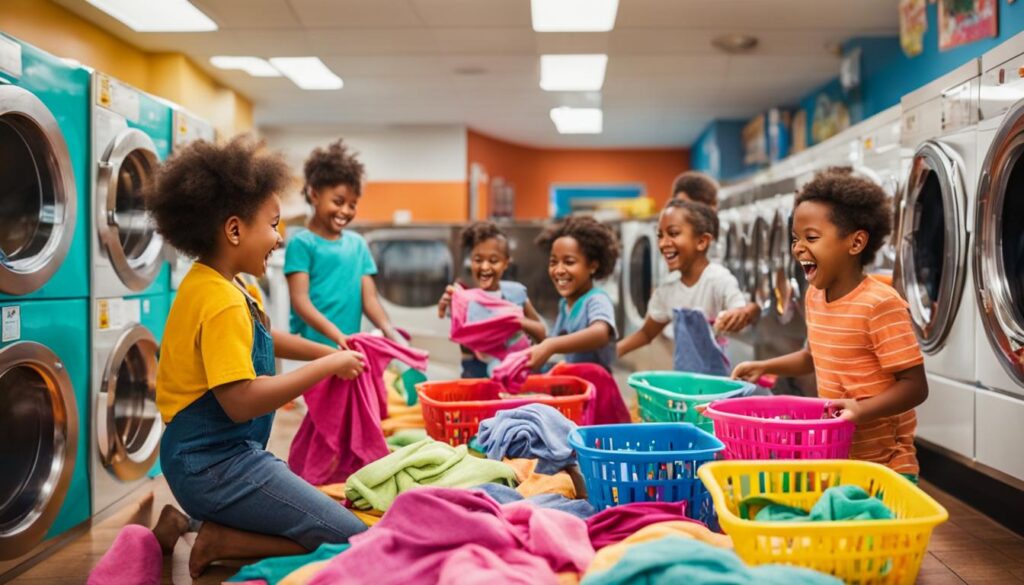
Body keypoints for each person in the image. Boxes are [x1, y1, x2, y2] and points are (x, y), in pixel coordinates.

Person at [148, 136, 369, 577]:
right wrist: (326, 367)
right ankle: (217, 538)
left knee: (321, 520)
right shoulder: (222, 301)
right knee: (351, 539)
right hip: (212, 465)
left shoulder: (219, 283)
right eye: (273, 224)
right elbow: (242, 399)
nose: (279, 237)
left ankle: (190, 524)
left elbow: (268, 339)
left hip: (210, 458)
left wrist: (331, 350)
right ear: (234, 230)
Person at [732, 169, 928, 480]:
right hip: (836, 452)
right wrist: (764, 366)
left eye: (811, 238)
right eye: (795, 239)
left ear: (856, 243)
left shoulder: (880, 304)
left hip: (886, 465)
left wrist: (860, 410)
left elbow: (915, 387)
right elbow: (812, 356)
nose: (797, 248)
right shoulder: (814, 296)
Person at [285, 139, 401, 347]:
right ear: (314, 195)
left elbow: (370, 300)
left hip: (348, 349)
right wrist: (336, 335)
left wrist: (390, 333)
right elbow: (300, 301)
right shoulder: (301, 244)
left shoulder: (358, 245)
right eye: (338, 202)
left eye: (352, 205)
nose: (345, 211)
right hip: (312, 352)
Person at [617, 200, 759, 360]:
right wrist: (611, 353)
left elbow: (743, 310)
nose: (663, 243)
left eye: (673, 233)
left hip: (720, 380)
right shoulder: (667, 289)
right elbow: (646, 333)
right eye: (660, 236)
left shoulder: (718, 279)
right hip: (684, 379)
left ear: (701, 242)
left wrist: (743, 312)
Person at [437, 221, 546, 377]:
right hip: (478, 372)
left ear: (506, 263)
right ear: (471, 261)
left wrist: (517, 321)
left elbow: (541, 334)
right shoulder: (465, 298)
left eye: (493, 261)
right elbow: (463, 344)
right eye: (478, 260)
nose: (485, 267)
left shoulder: (515, 293)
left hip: (515, 371)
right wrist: (450, 306)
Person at [528, 216, 620, 372]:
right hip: (577, 382)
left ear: (592, 266)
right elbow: (553, 340)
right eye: (553, 262)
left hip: (597, 387)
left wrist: (551, 346)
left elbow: (600, 334)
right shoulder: (565, 305)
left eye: (569, 262)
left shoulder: (596, 299)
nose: (559, 270)